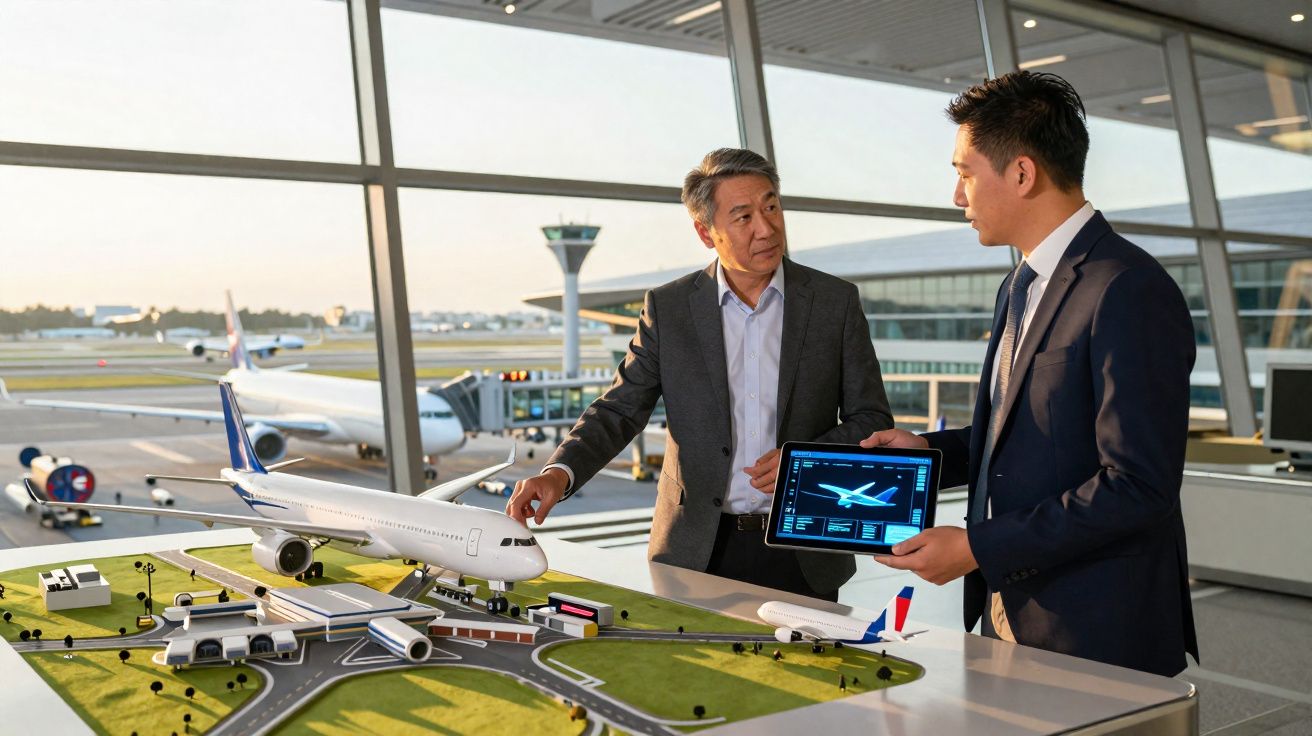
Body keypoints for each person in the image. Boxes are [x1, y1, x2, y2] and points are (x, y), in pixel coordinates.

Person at [862, 71, 1198, 677]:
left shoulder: (1127, 288)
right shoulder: (1019, 285)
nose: (957, 196)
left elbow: (1138, 486)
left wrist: (977, 547)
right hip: (1012, 613)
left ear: (1021, 173)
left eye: (965, 173)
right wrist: (930, 453)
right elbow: (1025, 436)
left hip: (1095, 630)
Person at [507, 148, 893, 600]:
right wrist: (559, 473)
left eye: (771, 207)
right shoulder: (669, 308)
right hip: (695, 549)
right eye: (743, 217)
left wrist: (805, 462)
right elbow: (619, 410)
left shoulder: (834, 302)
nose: (767, 228)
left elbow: (872, 419)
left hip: (803, 546)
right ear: (706, 232)